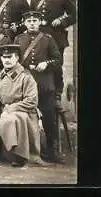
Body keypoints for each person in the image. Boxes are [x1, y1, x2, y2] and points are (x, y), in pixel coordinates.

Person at [14, 11, 64, 164]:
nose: (32, 23)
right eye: (29, 21)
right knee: (24, 117)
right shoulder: (18, 38)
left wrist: (46, 64)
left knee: (49, 118)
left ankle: (52, 150)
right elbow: (13, 60)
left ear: (40, 22)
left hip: (44, 85)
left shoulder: (48, 39)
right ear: (24, 23)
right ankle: (25, 151)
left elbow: (58, 60)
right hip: (25, 84)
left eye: (35, 20)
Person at [29, 0, 76, 121]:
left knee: (56, 66)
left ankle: (56, 96)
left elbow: (74, 14)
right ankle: (38, 95)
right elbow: (32, 16)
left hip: (57, 38)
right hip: (40, 39)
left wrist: (61, 22)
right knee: (39, 66)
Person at [0, 44, 46, 167]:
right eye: (4, 57)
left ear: (16, 58)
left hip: (26, 111)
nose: (6, 60)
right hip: (4, 111)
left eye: (10, 57)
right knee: (7, 118)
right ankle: (12, 153)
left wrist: (11, 108)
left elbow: (32, 101)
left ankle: (20, 155)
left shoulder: (25, 76)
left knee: (13, 118)